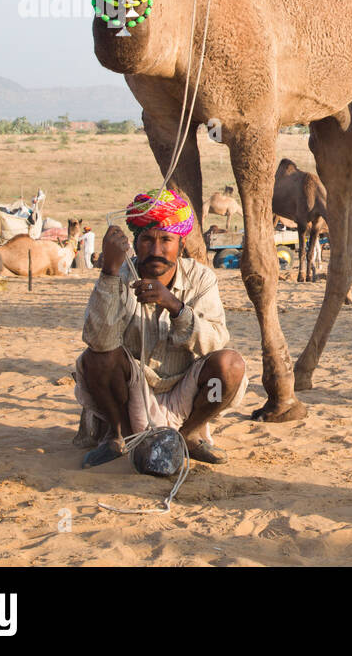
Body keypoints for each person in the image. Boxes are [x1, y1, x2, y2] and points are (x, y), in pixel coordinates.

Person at [73, 189, 248, 468]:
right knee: (96, 359)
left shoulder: (201, 278)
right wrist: (108, 272)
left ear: (180, 244)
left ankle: (191, 432)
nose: (156, 250)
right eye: (147, 240)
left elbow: (215, 342)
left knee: (229, 368)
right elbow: (97, 340)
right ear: (135, 242)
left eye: (166, 239)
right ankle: (117, 435)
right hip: (131, 389)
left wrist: (174, 306)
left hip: (185, 390)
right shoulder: (118, 275)